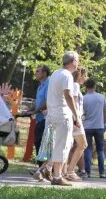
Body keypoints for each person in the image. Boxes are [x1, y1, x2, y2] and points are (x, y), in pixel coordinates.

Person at [45, 51, 80, 186]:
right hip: (62, 114)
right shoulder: (67, 76)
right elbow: (68, 95)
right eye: (77, 60)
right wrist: (76, 115)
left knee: (55, 145)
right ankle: (57, 176)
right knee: (62, 145)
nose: (78, 63)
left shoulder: (55, 73)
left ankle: (47, 169)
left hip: (52, 114)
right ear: (73, 62)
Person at [64, 68, 88, 181]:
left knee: (67, 145)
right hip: (75, 120)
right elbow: (73, 101)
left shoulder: (72, 85)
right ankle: (70, 171)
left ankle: (62, 170)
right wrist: (76, 119)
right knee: (82, 144)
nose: (86, 78)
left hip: (73, 119)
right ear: (80, 75)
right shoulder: (75, 85)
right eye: (85, 76)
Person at [82, 78, 106, 178]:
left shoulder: (84, 98)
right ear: (95, 86)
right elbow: (105, 111)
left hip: (87, 126)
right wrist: (105, 122)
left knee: (87, 149)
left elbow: (82, 113)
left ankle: (87, 172)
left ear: (86, 86)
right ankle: (102, 172)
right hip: (99, 125)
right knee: (100, 150)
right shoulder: (101, 97)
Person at [30, 65, 50, 176]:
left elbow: (47, 101)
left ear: (44, 73)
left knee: (42, 144)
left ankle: (43, 169)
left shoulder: (48, 84)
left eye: (38, 71)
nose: (36, 73)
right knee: (38, 143)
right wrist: (30, 109)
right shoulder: (40, 85)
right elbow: (38, 101)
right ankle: (40, 169)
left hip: (46, 119)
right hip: (39, 119)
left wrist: (36, 110)